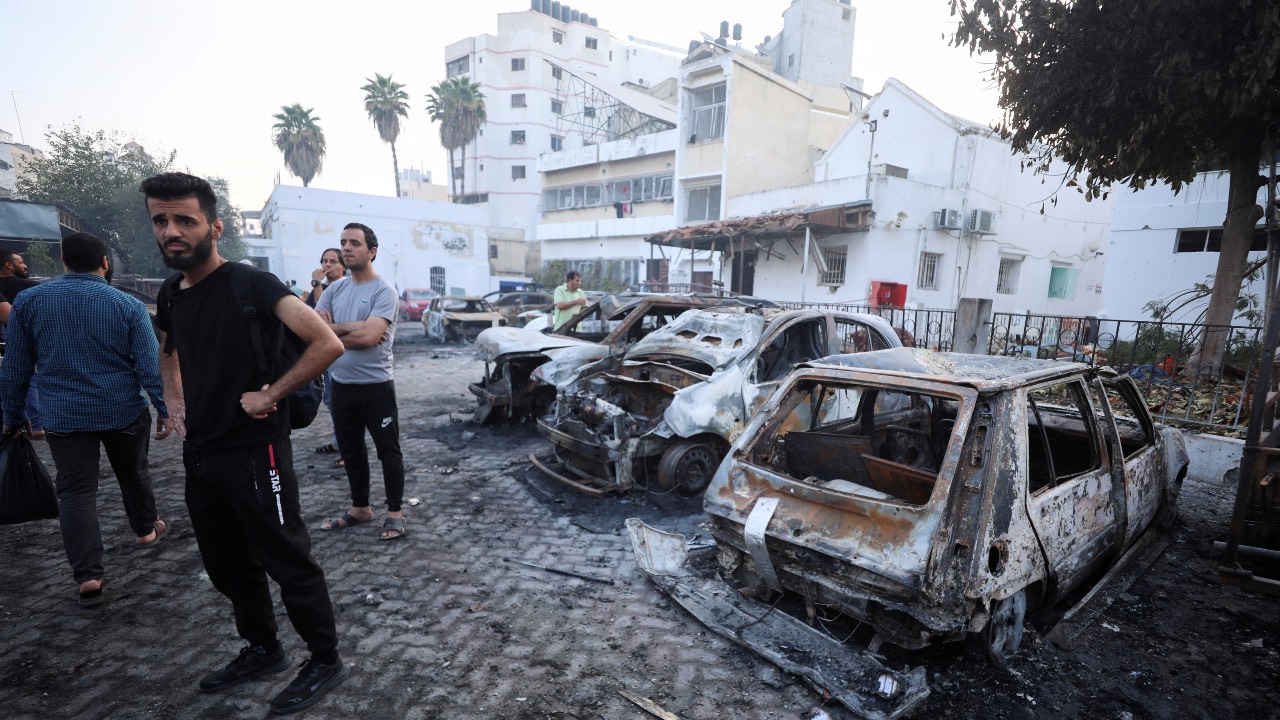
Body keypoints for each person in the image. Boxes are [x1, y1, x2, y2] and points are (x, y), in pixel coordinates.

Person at [143, 172, 348, 715]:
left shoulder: (250, 283)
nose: (171, 232)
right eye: (160, 221)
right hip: (203, 452)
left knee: (287, 558)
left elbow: (326, 343)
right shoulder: (170, 291)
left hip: (259, 450)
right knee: (226, 562)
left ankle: (325, 659)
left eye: (183, 220)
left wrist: (271, 393)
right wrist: (174, 400)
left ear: (215, 226)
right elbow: (169, 347)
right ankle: (263, 648)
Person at [0, 232, 170, 608]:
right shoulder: (126, 305)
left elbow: (15, 368)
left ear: (63, 261)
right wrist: (163, 409)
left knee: (75, 492)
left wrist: (13, 415)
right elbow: (148, 364)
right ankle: (145, 530)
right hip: (122, 409)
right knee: (134, 472)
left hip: (64, 415)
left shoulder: (29, 301)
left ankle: (89, 575)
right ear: (105, 262)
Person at [315, 223, 406, 541]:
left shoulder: (384, 291)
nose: (346, 248)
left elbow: (371, 338)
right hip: (341, 385)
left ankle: (394, 512)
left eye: (354, 242)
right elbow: (315, 331)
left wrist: (335, 331)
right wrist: (353, 327)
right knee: (351, 450)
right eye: (343, 242)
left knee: (388, 451)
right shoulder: (334, 290)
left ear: (372, 251)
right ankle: (360, 508)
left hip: (376, 386)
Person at [307, 248, 347, 460]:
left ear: (343, 267)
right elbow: (312, 319)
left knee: (342, 402)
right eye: (324, 261)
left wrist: (316, 285)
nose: (327, 265)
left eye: (333, 261)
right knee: (331, 400)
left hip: (343, 354)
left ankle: (347, 447)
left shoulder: (345, 288)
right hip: (326, 355)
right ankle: (338, 441)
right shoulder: (321, 289)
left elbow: (324, 321)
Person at [0, 249, 44, 436]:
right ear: (9, 265)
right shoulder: (31, 287)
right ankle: (35, 424)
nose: (25, 265)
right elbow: (13, 317)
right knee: (28, 379)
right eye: (20, 261)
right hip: (20, 339)